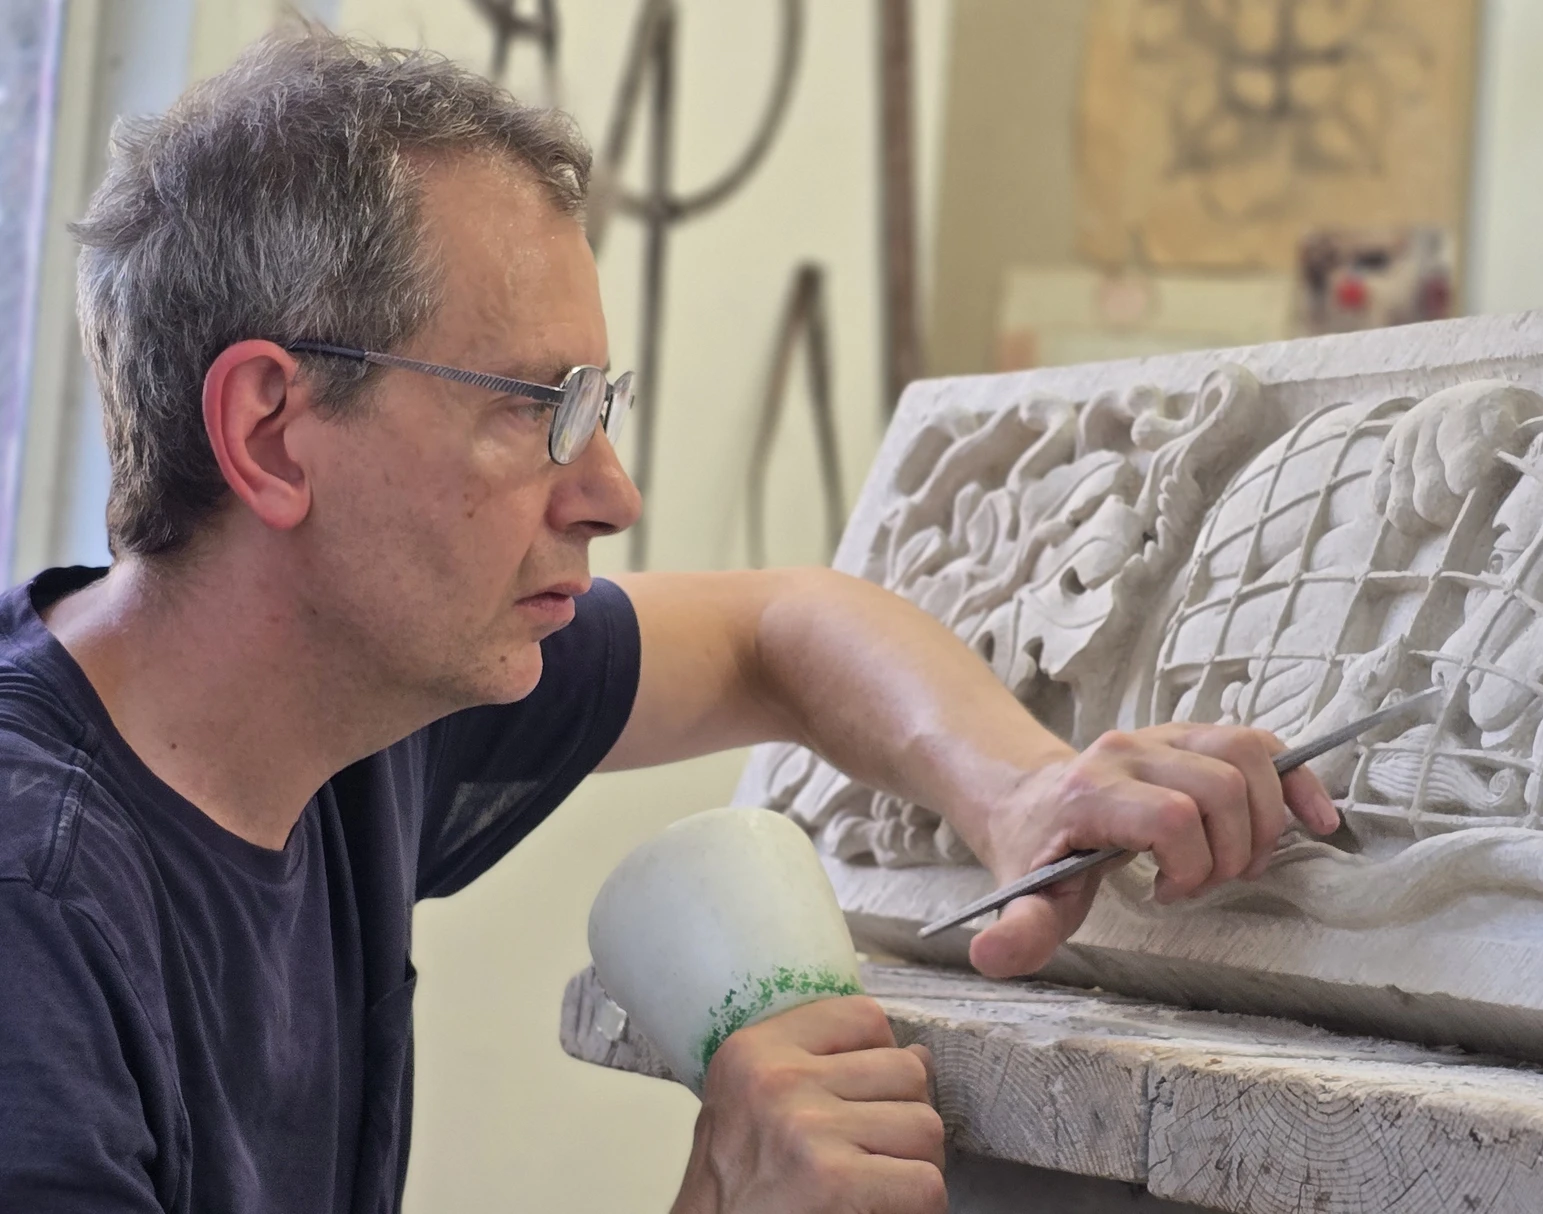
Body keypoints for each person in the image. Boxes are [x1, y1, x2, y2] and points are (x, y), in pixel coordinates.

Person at [0, 30, 1335, 1214]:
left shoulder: (346, 715)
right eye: (536, 408)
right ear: (272, 436)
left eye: (599, 404)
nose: (611, 493)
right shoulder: (38, 912)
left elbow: (781, 630)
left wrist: (1027, 788)